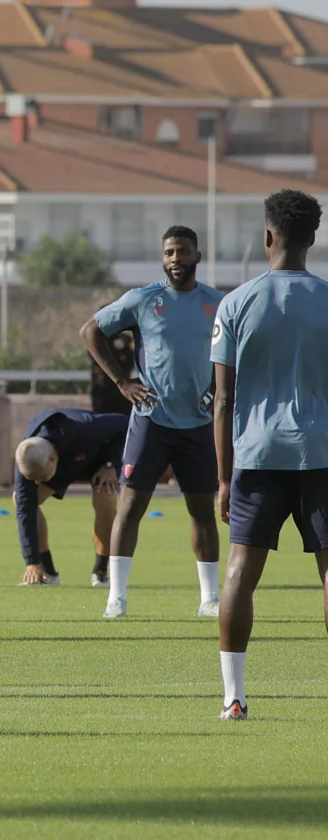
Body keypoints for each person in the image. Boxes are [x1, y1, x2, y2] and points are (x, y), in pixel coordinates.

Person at [212, 190, 328, 722]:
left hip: (256, 456)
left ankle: (233, 697)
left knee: (240, 570)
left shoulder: (235, 304)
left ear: (267, 236)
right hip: (322, 452)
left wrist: (222, 478)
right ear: (313, 238)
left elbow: (224, 400)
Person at [82, 225, 224, 618]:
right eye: (169, 253)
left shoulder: (218, 303)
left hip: (197, 424)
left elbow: (236, 354)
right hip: (151, 419)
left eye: (183, 252)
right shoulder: (144, 299)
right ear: (163, 259)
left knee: (202, 511)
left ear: (197, 255)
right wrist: (122, 382)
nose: (176, 259)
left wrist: (216, 391)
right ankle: (117, 596)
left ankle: (209, 598)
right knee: (130, 507)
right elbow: (91, 331)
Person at [14, 409, 128, 586]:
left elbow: (125, 424)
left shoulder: (87, 428)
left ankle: (101, 572)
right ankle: (47, 572)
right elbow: (24, 509)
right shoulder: (28, 457)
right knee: (21, 498)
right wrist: (31, 562)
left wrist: (109, 464)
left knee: (105, 497)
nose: (37, 482)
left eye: (40, 478)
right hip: (61, 467)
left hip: (97, 460)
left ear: (52, 459)